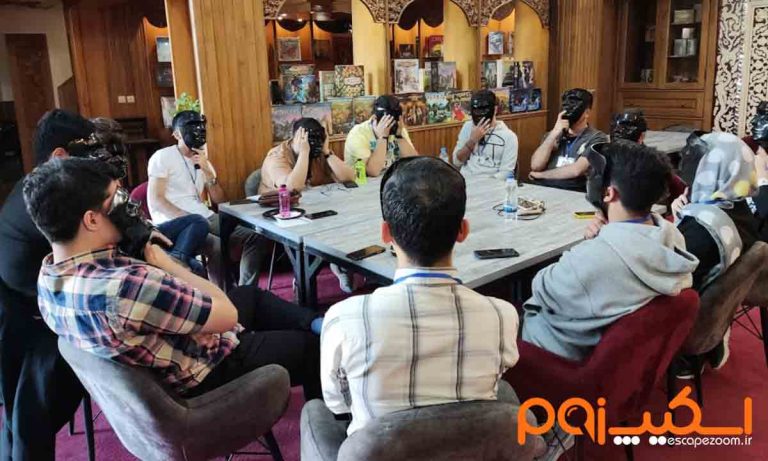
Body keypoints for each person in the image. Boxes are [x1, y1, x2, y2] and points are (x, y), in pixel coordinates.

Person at [25, 157, 323, 400]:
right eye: (117, 199)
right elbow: (227, 316)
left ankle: (318, 322)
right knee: (315, 349)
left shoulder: (48, 276)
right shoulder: (128, 285)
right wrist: (165, 263)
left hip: (166, 354)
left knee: (250, 295)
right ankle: (324, 416)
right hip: (206, 370)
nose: (129, 208)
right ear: (91, 220)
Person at [320, 156, 520, 435]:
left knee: (314, 414)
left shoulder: (344, 318)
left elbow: (338, 404)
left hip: (378, 449)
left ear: (385, 233)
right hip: (468, 447)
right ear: (463, 231)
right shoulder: (502, 316)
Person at [523, 140, 698, 362]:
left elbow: (542, 287)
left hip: (562, 357)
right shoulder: (672, 235)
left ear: (608, 193)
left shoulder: (592, 260)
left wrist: (593, 245)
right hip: (628, 357)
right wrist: (605, 238)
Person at [668, 133, 758, 376]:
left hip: (684, 319)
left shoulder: (703, 229)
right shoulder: (740, 210)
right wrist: (686, 212)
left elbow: (666, 272)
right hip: (711, 311)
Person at [147, 111, 263, 285]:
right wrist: (190, 219)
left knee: (255, 235)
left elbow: (220, 201)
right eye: (191, 126)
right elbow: (156, 200)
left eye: (201, 127)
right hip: (175, 222)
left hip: (205, 217)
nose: (198, 131)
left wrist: (207, 171)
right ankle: (220, 293)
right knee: (215, 245)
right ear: (177, 134)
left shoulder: (202, 160)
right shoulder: (163, 157)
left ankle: (246, 289)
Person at [91, 116, 210, 273]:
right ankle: (176, 264)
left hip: (143, 235)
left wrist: (147, 230)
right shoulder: (92, 187)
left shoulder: (114, 184)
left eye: (120, 152)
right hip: (124, 251)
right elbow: (154, 202)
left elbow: (130, 219)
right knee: (195, 264)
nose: (119, 160)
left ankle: (176, 260)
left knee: (198, 228)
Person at [529, 88, 609, 191]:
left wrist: (541, 175)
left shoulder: (597, 138)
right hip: (545, 187)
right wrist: (554, 133)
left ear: (587, 112)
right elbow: (536, 166)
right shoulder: (553, 134)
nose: (568, 111)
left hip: (574, 190)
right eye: (565, 106)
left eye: (573, 106)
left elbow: (577, 170)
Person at [259, 118, 355, 194]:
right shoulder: (277, 156)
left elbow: (349, 177)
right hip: (280, 208)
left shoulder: (321, 151)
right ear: (296, 138)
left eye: (319, 139)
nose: (314, 144)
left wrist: (327, 153)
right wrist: (304, 152)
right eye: (309, 139)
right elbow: (291, 188)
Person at [344, 95, 418, 177]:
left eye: (393, 122)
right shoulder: (358, 134)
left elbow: (415, 164)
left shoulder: (397, 128)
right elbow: (373, 171)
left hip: (390, 179)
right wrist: (382, 138)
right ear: (374, 118)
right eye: (387, 123)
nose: (390, 127)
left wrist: (399, 137)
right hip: (363, 181)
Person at [452, 89, 518, 178]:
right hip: (466, 180)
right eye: (476, 110)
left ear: (495, 110)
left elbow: (506, 173)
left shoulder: (509, 137)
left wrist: (484, 182)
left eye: (484, 110)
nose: (480, 115)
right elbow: (457, 162)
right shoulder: (468, 127)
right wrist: (472, 141)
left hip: (492, 183)